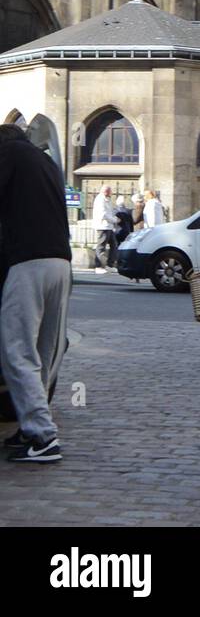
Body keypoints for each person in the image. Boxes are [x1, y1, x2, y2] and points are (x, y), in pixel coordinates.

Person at [0, 123, 72, 463]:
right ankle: (31, 428)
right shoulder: (44, 162)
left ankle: (43, 438)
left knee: (17, 351)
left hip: (28, 262)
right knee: (44, 354)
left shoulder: (9, 154)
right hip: (60, 262)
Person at [92, 183, 118, 272]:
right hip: (102, 226)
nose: (112, 193)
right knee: (101, 246)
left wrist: (114, 218)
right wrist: (114, 220)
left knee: (114, 245)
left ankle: (110, 265)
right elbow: (103, 214)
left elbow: (110, 211)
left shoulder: (107, 199)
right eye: (111, 191)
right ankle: (98, 266)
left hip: (109, 226)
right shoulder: (100, 200)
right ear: (106, 191)